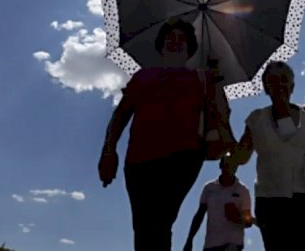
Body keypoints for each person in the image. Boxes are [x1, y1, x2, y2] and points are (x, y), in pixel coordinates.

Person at [98, 19, 229, 251]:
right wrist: (109, 150)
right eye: (170, 38)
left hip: (183, 156)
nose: (175, 43)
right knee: (143, 225)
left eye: (181, 39)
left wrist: (216, 76)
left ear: (190, 48)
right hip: (139, 159)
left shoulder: (202, 77)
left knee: (160, 220)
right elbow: (120, 115)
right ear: (161, 45)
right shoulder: (142, 77)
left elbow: (222, 115)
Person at [230, 61, 305, 251]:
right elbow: (240, 158)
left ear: (292, 86)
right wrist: (223, 130)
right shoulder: (256, 119)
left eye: (284, 80)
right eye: (272, 81)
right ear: (266, 88)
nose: (279, 85)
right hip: (272, 201)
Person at [183, 153, 253, 251]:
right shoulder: (209, 188)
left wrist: (237, 218)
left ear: (236, 168)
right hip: (211, 244)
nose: (229, 168)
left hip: (233, 244)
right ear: (220, 166)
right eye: (226, 165)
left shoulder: (243, 191)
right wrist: (189, 240)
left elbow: (248, 222)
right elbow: (200, 214)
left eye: (233, 165)